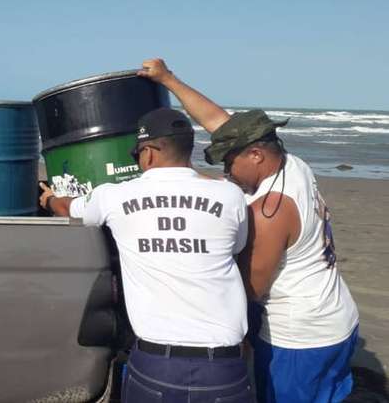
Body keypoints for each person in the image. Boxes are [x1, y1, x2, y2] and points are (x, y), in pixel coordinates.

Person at [138, 58, 360, 403]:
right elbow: (219, 122)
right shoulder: (291, 163)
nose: (227, 172)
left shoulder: (269, 211)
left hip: (299, 338)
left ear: (255, 154)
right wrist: (168, 79)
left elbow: (250, 290)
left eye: (229, 163)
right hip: (337, 317)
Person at [40, 107, 253, 403]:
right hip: (223, 365)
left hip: (157, 363)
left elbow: (69, 209)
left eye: (137, 154)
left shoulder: (114, 195)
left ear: (149, 153)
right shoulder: (231, 196)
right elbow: (236, 248)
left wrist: (50, 199)